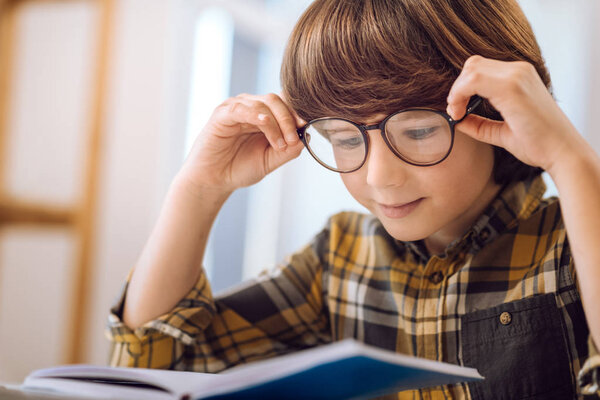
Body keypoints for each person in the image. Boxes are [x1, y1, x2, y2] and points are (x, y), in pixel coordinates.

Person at [106, 0, 600, 398]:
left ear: (496, 111)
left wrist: (571, 160)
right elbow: (151, 369)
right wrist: (198, 188)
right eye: (344, 140)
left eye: (420, 130)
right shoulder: (340, 256)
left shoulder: (573, 245)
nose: (379, 177)